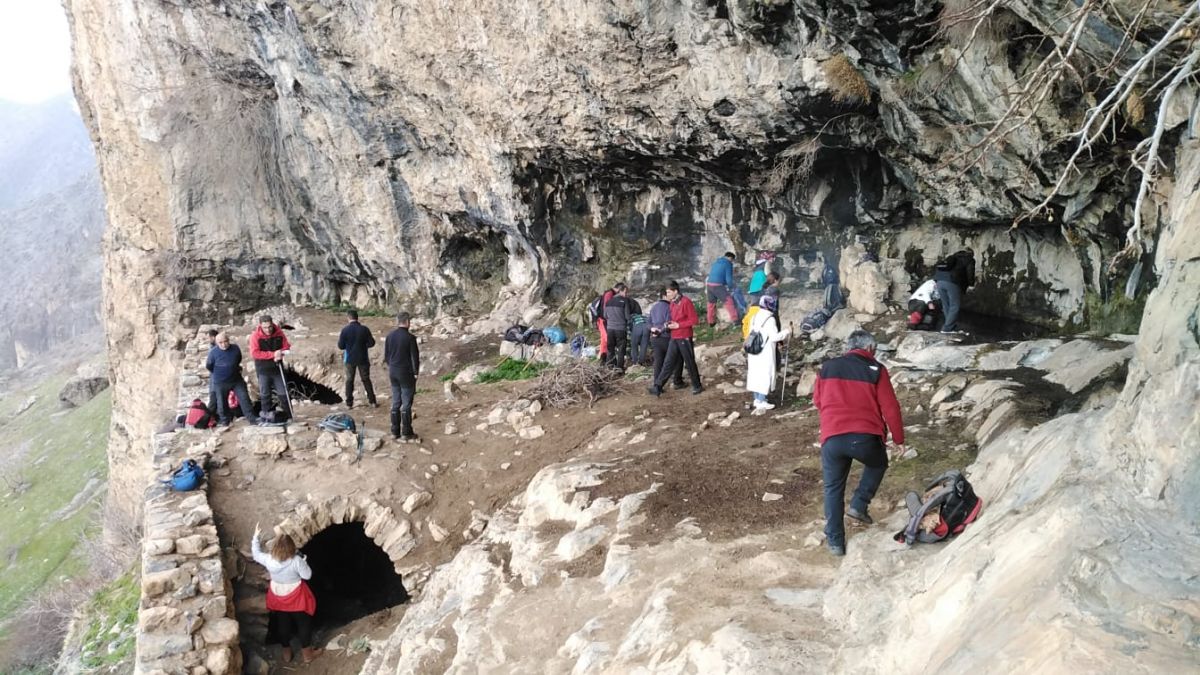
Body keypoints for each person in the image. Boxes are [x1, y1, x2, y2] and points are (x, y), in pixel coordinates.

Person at [813, 330, 905, 557]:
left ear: (848, 346)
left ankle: (835, 543)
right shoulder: (876, 370)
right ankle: (859, 504)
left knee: (833, 488)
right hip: (865, 437)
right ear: (871, 349)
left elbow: (818, 401)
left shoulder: (827, 367)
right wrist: (899, 438)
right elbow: (891, 408)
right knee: (878, 463)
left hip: (832, 437)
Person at [251, 524, 322, 664]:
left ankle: (286, 652)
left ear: (275, 548)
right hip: (296, 597)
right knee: (303, 624)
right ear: (291, 548)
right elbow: (307, 576)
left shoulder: (269, 560)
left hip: (278, 596)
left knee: (283, 624)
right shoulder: (296, 561)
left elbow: (256, 554)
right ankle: (307, 654)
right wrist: (304, 561)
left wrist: (255, 537)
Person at [647, 281, 702, 396]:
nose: (667, 294)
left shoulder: (686, 302)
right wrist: (667, 325)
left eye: (668, 292)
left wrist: (678, 325)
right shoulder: (672, 303)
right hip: (674, 336)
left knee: (689, 361)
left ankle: (697, 385)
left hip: (684, 336)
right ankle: (658, 386)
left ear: (675, 291)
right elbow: (674, 319)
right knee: (668, 362)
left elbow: (694, 320)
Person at [205, 332, 262, 426]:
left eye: (225, 341)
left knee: (244, 398)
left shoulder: (235, 348)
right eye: (221, 342)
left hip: (236, 380)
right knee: (221, 402)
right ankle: (225, 421)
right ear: (217, 343)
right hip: (220, 381)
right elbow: (209, 366)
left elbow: (238, 359)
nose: (224, 344)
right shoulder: (213, 352)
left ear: (229, 340)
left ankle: (252, 419)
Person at [744, 295, 790, 410]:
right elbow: (774, 337)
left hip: (754, 351)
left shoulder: (754, 316)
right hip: (765, 352)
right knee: (765, 375)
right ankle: (761, 400)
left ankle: (757, 398)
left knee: (755, 374)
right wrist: (787, 331)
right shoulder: (770, 319)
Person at [384, 311, 421, 442]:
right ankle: (406, 431)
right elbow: (414, 358)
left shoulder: (389, 336)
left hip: (393, 371)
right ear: (407, 322)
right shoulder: (410, 338)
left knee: (395, 401)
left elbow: (387, 356)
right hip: (406, 373)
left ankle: (394, 431)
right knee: (406, 403)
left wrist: (392, 366)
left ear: (397, 321)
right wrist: (416, 372)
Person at [249, 315, 293, 421]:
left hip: (278, 368)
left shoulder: (278, 333)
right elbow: (255, 353)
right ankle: (266, 416)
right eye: (265, 327)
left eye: (269, 327)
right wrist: (273, 354)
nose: (268, 330)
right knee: (265, 394)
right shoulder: (255, 336)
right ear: (260, 326)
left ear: (272, 324)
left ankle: (289, 415)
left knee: (283, 392)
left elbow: (286, 346)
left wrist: (281, 353)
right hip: (263, 369)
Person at [337, 310, 378, 408]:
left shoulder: (345, 330)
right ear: (357, 318)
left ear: (348, 318)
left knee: (349, 380)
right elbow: (372, 343)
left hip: (349, 358)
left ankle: (349, 403)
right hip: (363, 358)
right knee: (366, 379)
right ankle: (372, 401)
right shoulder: (364, 329)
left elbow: (341, 346)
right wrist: (363, 345)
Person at [933, 249, 975, 334]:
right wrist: (971, 284)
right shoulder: (969, 259)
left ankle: (949, 326)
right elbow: (970, 272)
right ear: (971, 254)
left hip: (939, 281)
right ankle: (946, 329)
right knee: (954, 306)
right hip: (952, 282)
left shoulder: (951, 257)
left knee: (946, 305)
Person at [647, 287, 677, 386]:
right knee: (672, 360)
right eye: (668, 293)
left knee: (658, 362)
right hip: (666, 337)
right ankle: (675, 380)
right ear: (664, 296)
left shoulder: (654, 307)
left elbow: (648, 323)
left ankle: (656, 383)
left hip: (655, 338)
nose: (671, 296)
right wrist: (661, 330)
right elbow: (669, 323)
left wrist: (652, 329)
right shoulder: (669, 307)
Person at [706, 251, 741, 327]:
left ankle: (711, 322)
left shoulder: (716, 262)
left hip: (709, 285)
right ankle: (735, 320)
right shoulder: (728, 264)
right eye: (732, 260)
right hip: (717, 286)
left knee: (711, 304)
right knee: (729, 301)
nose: (732, 262)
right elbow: (728, 279)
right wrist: (731, 287)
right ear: (730, 258)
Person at [603, 283, 631, 372]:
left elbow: (605, 315)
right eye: (626, 292)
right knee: (621, 349)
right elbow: (627, 317)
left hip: (610, 329)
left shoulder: (608, 302)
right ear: (621, 291)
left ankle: (609, 367)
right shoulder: (625, 301)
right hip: (621, 329)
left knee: (610, 349)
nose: (626, 295)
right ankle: (619, 369)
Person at [628, 297, 650, 367]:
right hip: (646, 327)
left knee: (634, 345)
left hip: (637, 327)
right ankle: (641, 361)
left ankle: (635, 362)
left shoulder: (630, 316)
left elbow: (629, 327)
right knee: (644, 346)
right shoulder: (642, 316)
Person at [205, 329, 221, 416]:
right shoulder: (213, 347)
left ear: (213, 337)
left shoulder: (216, 348)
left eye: (209, 337)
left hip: (216, 375)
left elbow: (209, 364)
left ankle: (210, 416)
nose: (208, 340)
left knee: (214, 395)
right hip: (215, 374)